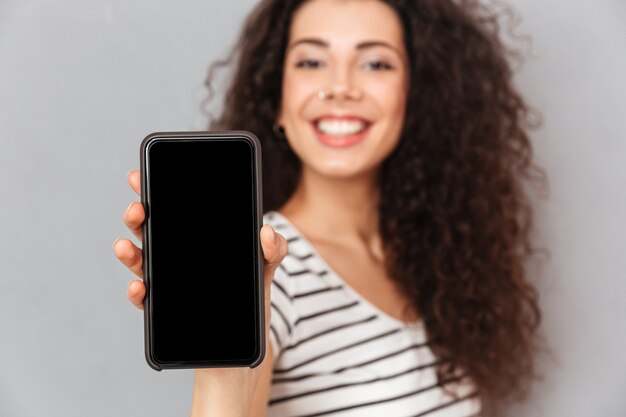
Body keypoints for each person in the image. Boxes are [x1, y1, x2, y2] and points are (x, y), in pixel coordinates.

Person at [114, 0, 545, 415]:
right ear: (276, 98)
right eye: (311, 61)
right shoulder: (267, 268)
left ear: (416, 96)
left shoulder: (436, 255)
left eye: (376, 63)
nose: (340, 87)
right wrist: (223, 372)